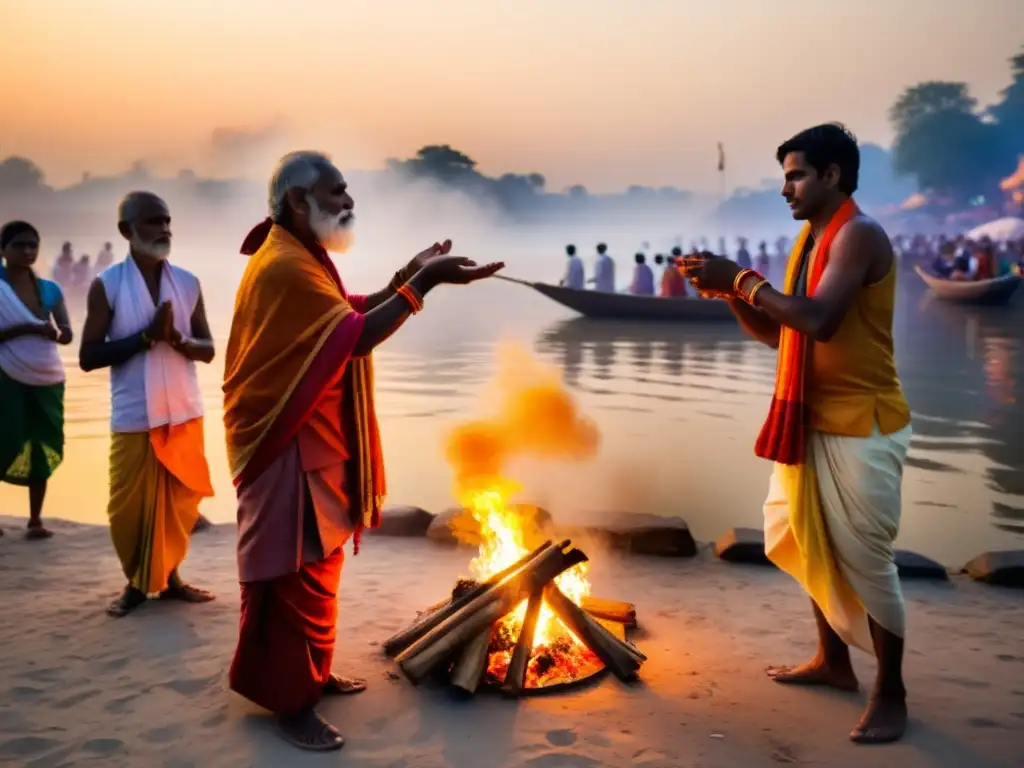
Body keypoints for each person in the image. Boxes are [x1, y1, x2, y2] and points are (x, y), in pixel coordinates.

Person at [222, 151, 503, 751]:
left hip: (312, 443)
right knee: (289, 579)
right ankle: (289, 706)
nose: (349, 203)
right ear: (299, 201)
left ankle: (309, 678)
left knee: (317, 568)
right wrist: (423, 283)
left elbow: (345, 313)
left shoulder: (299, 255)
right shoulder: (283, 266)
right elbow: (357, 335)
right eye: (338, 192)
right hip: (283, 444)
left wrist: (410, 272)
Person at [683, 123, 912, 744]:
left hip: (861, 421)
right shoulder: (810, 241)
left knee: (866, 557)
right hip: (808, 416)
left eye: (796, 175)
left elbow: (820, 320)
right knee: (799, 534)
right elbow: (782, 335)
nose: (786, 188)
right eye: (785, 176)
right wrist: (726, 291)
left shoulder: (858, 234)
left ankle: (892, 692)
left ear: (832, 176)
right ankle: (834, 663)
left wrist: (742, 281)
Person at [79, 191, 217, 617]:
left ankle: (171, 579)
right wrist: (144, 339)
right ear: (126, 230)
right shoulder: (107, 285)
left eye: (167, 221)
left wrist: (178, 340)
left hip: (183, 410)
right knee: (128, 511)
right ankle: (136, 585)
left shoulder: (189, 282)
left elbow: (208, 348)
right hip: (135, 414)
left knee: (177, 505)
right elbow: (88, 356)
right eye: (154, 221)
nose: (164, 229)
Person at [0, 221, 73, 540]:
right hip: (6, 373)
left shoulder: (50, 290)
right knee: (6, 438)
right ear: (3, 250)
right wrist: (30, 329)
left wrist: (57, 333)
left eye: (33, 245)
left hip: (47, 374)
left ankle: (35, 520)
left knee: (43, 442)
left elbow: (67, 333)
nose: (28, 251)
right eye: (19, 245)